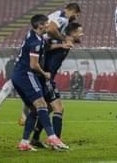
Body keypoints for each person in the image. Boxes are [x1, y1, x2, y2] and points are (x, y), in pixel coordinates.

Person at [11, 14, 69, 151]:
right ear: (40, 25)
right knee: (42, 104)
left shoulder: (34, 36)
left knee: (34, 110)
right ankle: (52, 136)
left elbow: (46, 47)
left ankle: (24, 142)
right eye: (47, 24)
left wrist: (61, 44)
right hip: (27, 74)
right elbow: (33, 65)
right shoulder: (35, 42)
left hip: (19, 75)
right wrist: (45, 74)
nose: (49, 26)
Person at [30, 22, 83, 148]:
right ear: (73, 33)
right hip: (45, 77)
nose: (83, 34)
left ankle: (35, 138)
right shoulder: (59, 41)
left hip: (47, 78)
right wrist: (61, 44)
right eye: (80, 31)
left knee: (47, 108)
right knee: (58, 108)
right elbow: (44, 45)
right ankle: (56, 142)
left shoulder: (67, 44)